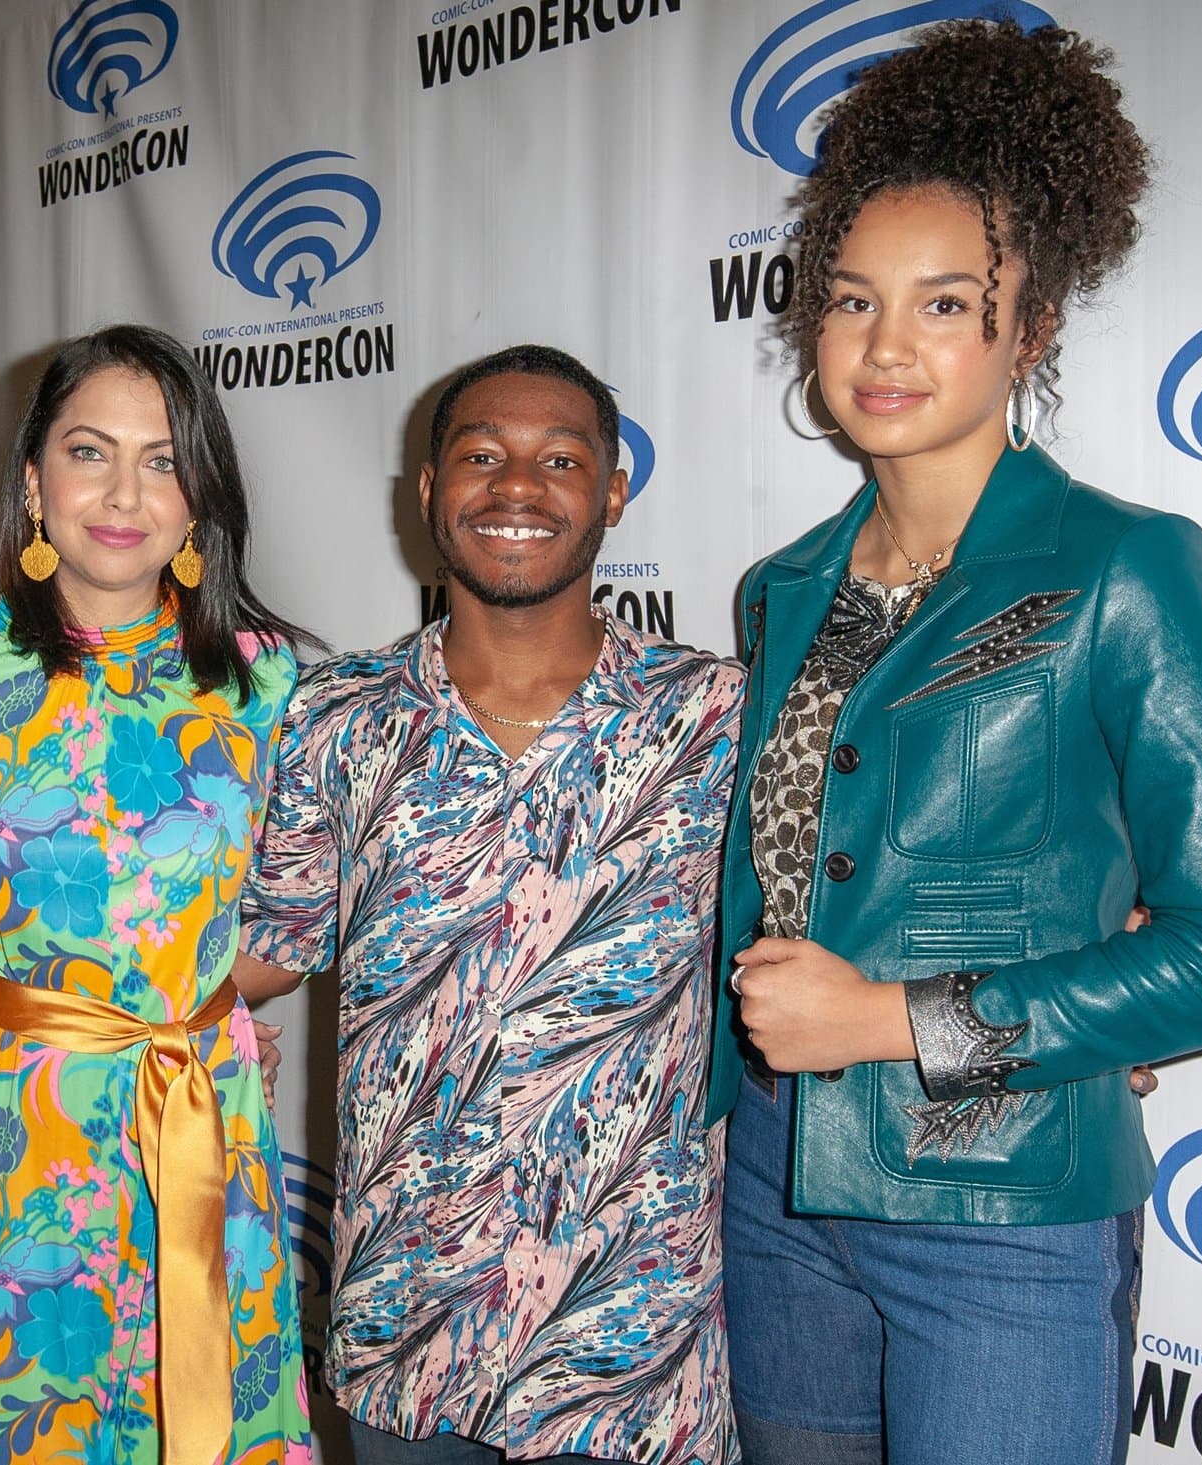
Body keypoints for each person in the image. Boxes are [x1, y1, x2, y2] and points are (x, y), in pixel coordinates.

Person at [711, 22, 1202, 1465]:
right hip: (774, 1191)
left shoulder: (1127, 566)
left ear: (1029, 328)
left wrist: (904, 1021)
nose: (887, 345)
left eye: (944, 303)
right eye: (852, 302)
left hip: (1004, 1213)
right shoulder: (782, 589)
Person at [211, 345, 744, 1464]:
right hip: (409, 1319)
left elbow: (832, 907)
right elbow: (262, 944)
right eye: (481, 455)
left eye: (558, 458)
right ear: (427, 492)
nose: (514, 487)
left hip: (627, 1337)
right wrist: (32, 975)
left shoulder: (711, 717)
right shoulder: (334, 714)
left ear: (611, 492)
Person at [0, 324, 313, 1465]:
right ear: (32, 480)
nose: (125, 491)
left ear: (199, 501)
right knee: (21, 1415)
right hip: (11, 1137)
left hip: (200, 1112)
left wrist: (221, 999)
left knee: (207, 1413)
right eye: (89, 451)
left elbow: (299, 909)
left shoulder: (266, 677)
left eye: (164, 458)